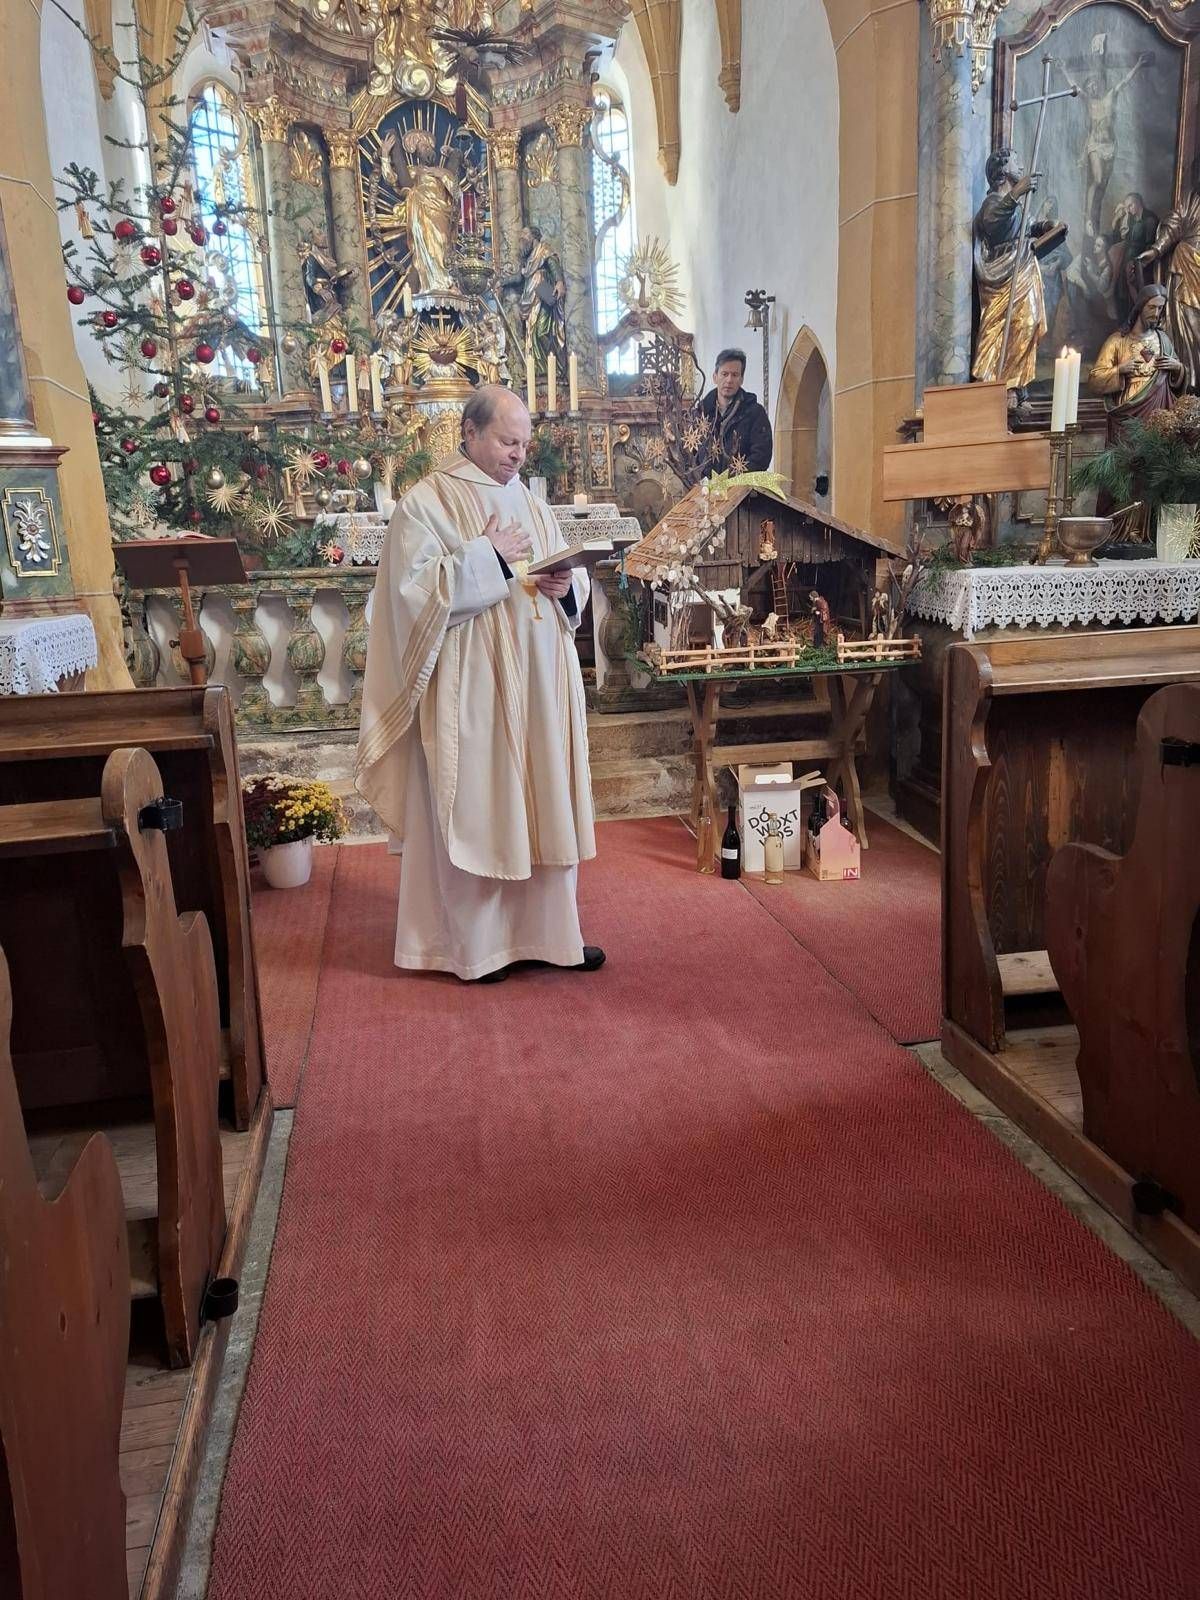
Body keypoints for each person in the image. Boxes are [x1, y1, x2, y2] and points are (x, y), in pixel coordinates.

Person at [355, 385, 602, 982]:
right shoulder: (427, 501)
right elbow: (408, 598)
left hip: (540, 684)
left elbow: (561, 575)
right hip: (473, 691)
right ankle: (478, 947)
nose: (518, 455)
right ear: (469, 431)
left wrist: (566, 587)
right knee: (481, 802)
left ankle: (553, 937)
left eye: (524, 443)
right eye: (506, 441)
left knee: (544, 799)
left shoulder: (532, 502)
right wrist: (485, 557)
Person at [972, 146, 1063, 398]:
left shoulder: (1015, 206)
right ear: (1002, 169)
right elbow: (992, 223)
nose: (1021, 166)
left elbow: (1023, 228)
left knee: (1027, 322)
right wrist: (1015, 194)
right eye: (1016, 161)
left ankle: (1014, 383)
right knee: (1005, 325)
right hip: (1003, 273)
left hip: (1023, 268)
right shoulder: (993, 201)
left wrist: (1046, 226)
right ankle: (1001, 384)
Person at [1089, 282, 1184, 444]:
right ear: (1140, 307)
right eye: (1152, 307)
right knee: (1128, 459)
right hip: (1128, 410)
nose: (1156, 313)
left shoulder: (1163, 339)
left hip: (1159, 411)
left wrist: (1178, 368)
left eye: (1160, 308)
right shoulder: (1117, 341)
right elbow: (1094, 380)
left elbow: (1176, 381)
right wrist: (1119, 370)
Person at [1139, 184, 1200, 392]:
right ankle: (1189, 385)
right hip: (1188, 267)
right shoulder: (1192, 200)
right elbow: (1174, 224)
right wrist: (1156, 250)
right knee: (1188, 329)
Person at [695, 348, 773, 474]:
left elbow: (761, 457)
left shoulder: (755, 413)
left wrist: (731, 482)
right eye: (724, 374)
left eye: (735, 375)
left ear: (741, 379)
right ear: (715, 377)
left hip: (742, 490)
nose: (729, 380)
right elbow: (692, 455)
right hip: (706, 490)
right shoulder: (700, 414)